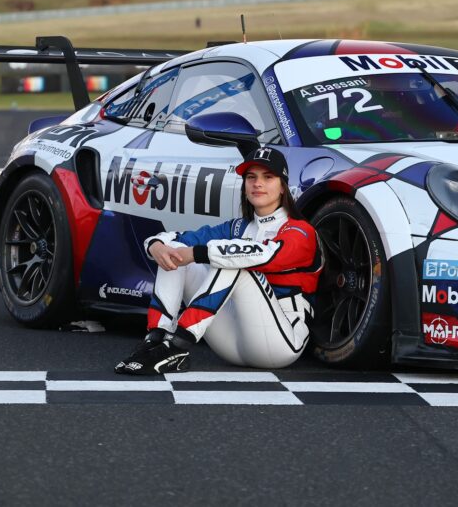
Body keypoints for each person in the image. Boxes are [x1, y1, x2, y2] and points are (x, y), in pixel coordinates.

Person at [115, 146, 322, 375]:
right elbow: (179, 239)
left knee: (235, 261)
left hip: (281, 343)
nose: (257, 184)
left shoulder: (301, 231)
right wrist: (155, 245)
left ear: (283, 187)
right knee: (174, 252)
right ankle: (155, 339)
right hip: (232, 342)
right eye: (251, 177)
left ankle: (178, 345)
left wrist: (197, 254)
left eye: (268, 177)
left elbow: (266, 255)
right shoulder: (237, 227)